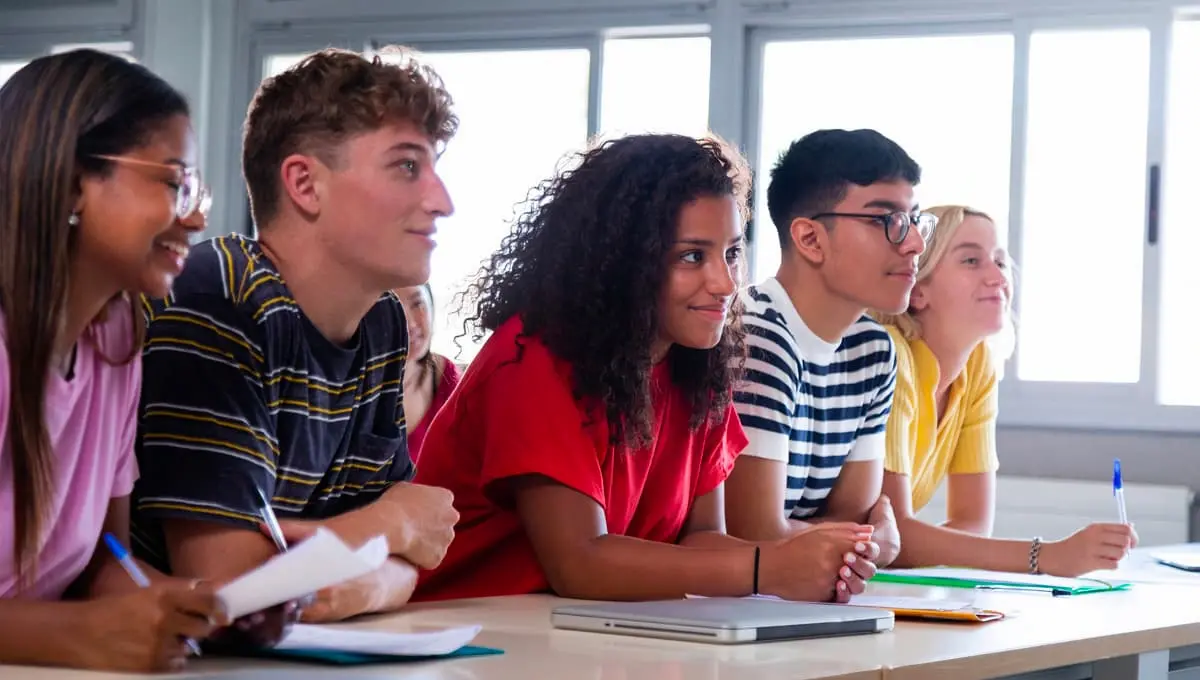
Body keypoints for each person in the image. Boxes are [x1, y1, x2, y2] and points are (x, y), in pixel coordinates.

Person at [411, 133, 880, 604]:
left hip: (578, 635)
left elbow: (699, 540)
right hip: (463, 636)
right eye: (692, 256)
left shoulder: (698, 368)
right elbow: (580, 564)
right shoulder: (534, 354)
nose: (725, 282)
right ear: (623, 264)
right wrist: (767, 567)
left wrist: (808, 560)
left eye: (732, 253)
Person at [129, 46, 461, 624]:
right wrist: (390, 524)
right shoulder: (220, 297)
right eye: (407, 166)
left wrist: (368, 576)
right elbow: (231, 586)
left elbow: (413, 562)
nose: (442, 201)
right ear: (305, 184)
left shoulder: (382, 324)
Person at [0, 49, 235, 673]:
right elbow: (78, 620)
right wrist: (76, 635)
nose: (196, 217)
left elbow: (105, 554)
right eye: (172, 181)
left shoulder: (117, 339)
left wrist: (192, 609)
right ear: (74, 180)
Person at [873, 205, 1137, 576]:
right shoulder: (889, 356)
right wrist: (1044, 556)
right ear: (918, 291)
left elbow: (973, 522)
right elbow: (894, 535)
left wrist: (921, 548)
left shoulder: (978, 364)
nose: (997, 276)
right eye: (970, 260)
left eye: (999, 261)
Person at [724, 129, 930, 570]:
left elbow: (855, 520)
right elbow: (753, 533)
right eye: (886, 220)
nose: (914, 243)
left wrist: (846, 537)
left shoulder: (873, 350)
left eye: (914, 219)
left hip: (796, 598)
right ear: (810, 239)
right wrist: (858, 539)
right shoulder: (758, 335)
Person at [394, 284, 462, 463]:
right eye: (393, 308)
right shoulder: (353, 388)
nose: (409, 324)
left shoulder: (447, 378)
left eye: (417, 304)